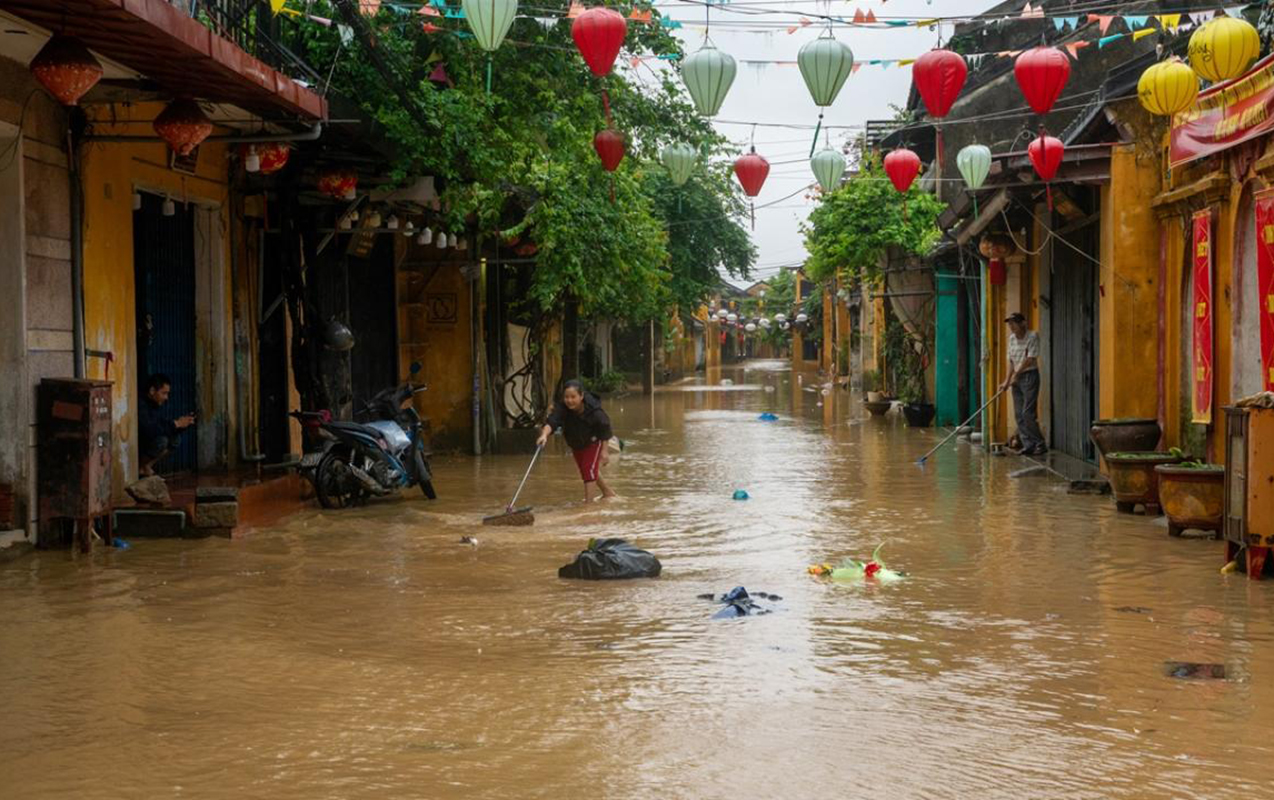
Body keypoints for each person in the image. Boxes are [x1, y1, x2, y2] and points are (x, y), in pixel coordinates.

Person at [536, 380, 617, 502]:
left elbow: (605, 427)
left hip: (594, 439)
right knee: (588, 469)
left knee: (588, 470)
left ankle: (588, 504)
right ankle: (607, 492)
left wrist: (604, 451)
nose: (569, 400)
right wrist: (544, 435)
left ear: (581, 396)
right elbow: (552, 422)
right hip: (576, 441)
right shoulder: (562, 408)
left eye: (573, 397)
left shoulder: (594, 411)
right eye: (567, 397)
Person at [1001, 312, 1046, 456]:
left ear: (1023, 323)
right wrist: (1007, 381)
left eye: (1014, 323)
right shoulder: (1012, 339)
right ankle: (1028, 445)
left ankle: (1040, 443)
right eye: (1010, 323)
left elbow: (1030, 359)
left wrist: (1017, 374)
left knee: (1027, 413)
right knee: (1018, 414)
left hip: (1029, 376)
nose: (1011, 326)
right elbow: (1011, 361)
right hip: (1017, 378)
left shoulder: (1032, 336)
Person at [139, 373, 195, 476]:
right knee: (162, 441)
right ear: (152, 391)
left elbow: (162, 424)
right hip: (140, 443)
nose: (166, 397)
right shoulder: (141, 405)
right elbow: (150, 430)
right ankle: (140, 466)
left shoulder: (155, 405)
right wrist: (175, 424)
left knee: (175, 440)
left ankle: (146, 466)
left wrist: (181, 425)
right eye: (163, 393)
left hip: (148, 441)